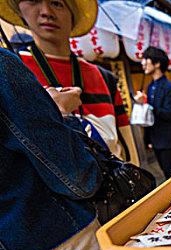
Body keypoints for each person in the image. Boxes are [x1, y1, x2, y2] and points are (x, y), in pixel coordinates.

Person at [0, 47, 111, 250]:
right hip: (50, 241)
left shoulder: (92, 70)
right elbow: (77, 178)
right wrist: (62, 114)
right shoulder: (3, 66)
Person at [0, 0, 137, 162]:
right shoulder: (10, 74)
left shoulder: (104, 77)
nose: (46, 12)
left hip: (114, 183)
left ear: (73, 14)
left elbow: (128, 149)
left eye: (57, 3)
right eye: (33, 0)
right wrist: (56, 112)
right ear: (20, 10)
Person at [134, 46, 171, 179]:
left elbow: (170, 114)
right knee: (166, 171)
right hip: (155, 138)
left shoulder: (169, 87)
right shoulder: (150, 86)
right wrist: (148, 138)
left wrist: (147, 105)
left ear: (157, 63)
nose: (143, 63)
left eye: (146, 59)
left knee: (169, 172)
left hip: (168, 138)